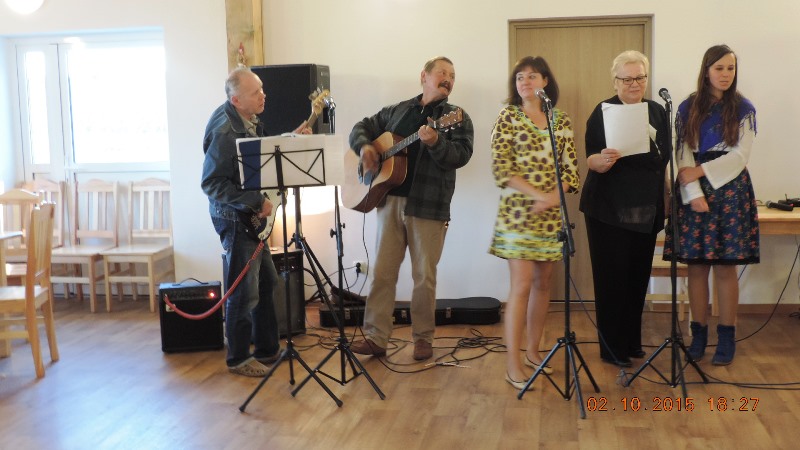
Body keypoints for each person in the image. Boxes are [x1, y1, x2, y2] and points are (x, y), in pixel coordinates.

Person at [348, 56, 474, 361]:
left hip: (429, 206)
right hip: (389, 201)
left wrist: (435, 142)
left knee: (423, 276)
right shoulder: (397, 110)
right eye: (442, 72)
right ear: (424, 76)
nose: (448, 78)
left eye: (452, 75)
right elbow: (361, 127)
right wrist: (365, 147)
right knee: (382, 273)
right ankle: (376, 337)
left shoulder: (456, 117)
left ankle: (423, 338)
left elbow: (460, 156)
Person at [201, 66, 311, 377]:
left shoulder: (247, 118)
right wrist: (254, 201)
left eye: (261, 89)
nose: (264, 95)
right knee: (244, 291)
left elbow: (257, 155)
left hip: (248, 216)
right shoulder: (225, 132)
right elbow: (211, 183)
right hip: (235, 218)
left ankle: (267, 349)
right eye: (256, 92)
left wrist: (288, 140)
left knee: (266, 283)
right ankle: (238, 359)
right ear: (236, 100)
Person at [664, 44, 758, 366]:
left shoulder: (744, 109)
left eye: (730, 68)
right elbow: (682, 155)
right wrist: (694, 194)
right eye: (719, 68)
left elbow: (740, 156)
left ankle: (727, 337)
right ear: (706, 71)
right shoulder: (687, 107)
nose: (725, 74)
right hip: (694, 192)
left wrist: (701, 171)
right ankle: (698, 336)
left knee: (725, 267)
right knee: (696, 267)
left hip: (730, 192)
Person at [489, 56, 580, 389]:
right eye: (519, 77)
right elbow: (501, 168)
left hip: (551, 214)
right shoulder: (508, 117)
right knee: (522, 285)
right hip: (519, 214)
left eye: (531, 76)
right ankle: (512, 365)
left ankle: (532, 352)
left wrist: (554, 197)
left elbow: (571, 170)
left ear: (545, 81)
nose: (524, 82)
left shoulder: (560, 119)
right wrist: (538, 196)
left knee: (544, 283)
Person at [579, 50, 669, 368]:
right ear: (615, 81)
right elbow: (590, 158)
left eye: (640, 77)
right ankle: (611, 347)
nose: (634, 84)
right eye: (627, 78)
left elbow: (664, 158)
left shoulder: (657, 111)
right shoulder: (603, 111)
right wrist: (601, 162)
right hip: (608, 210)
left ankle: (632, 341)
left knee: (637, 278)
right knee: (612, 280)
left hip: (644, 210)